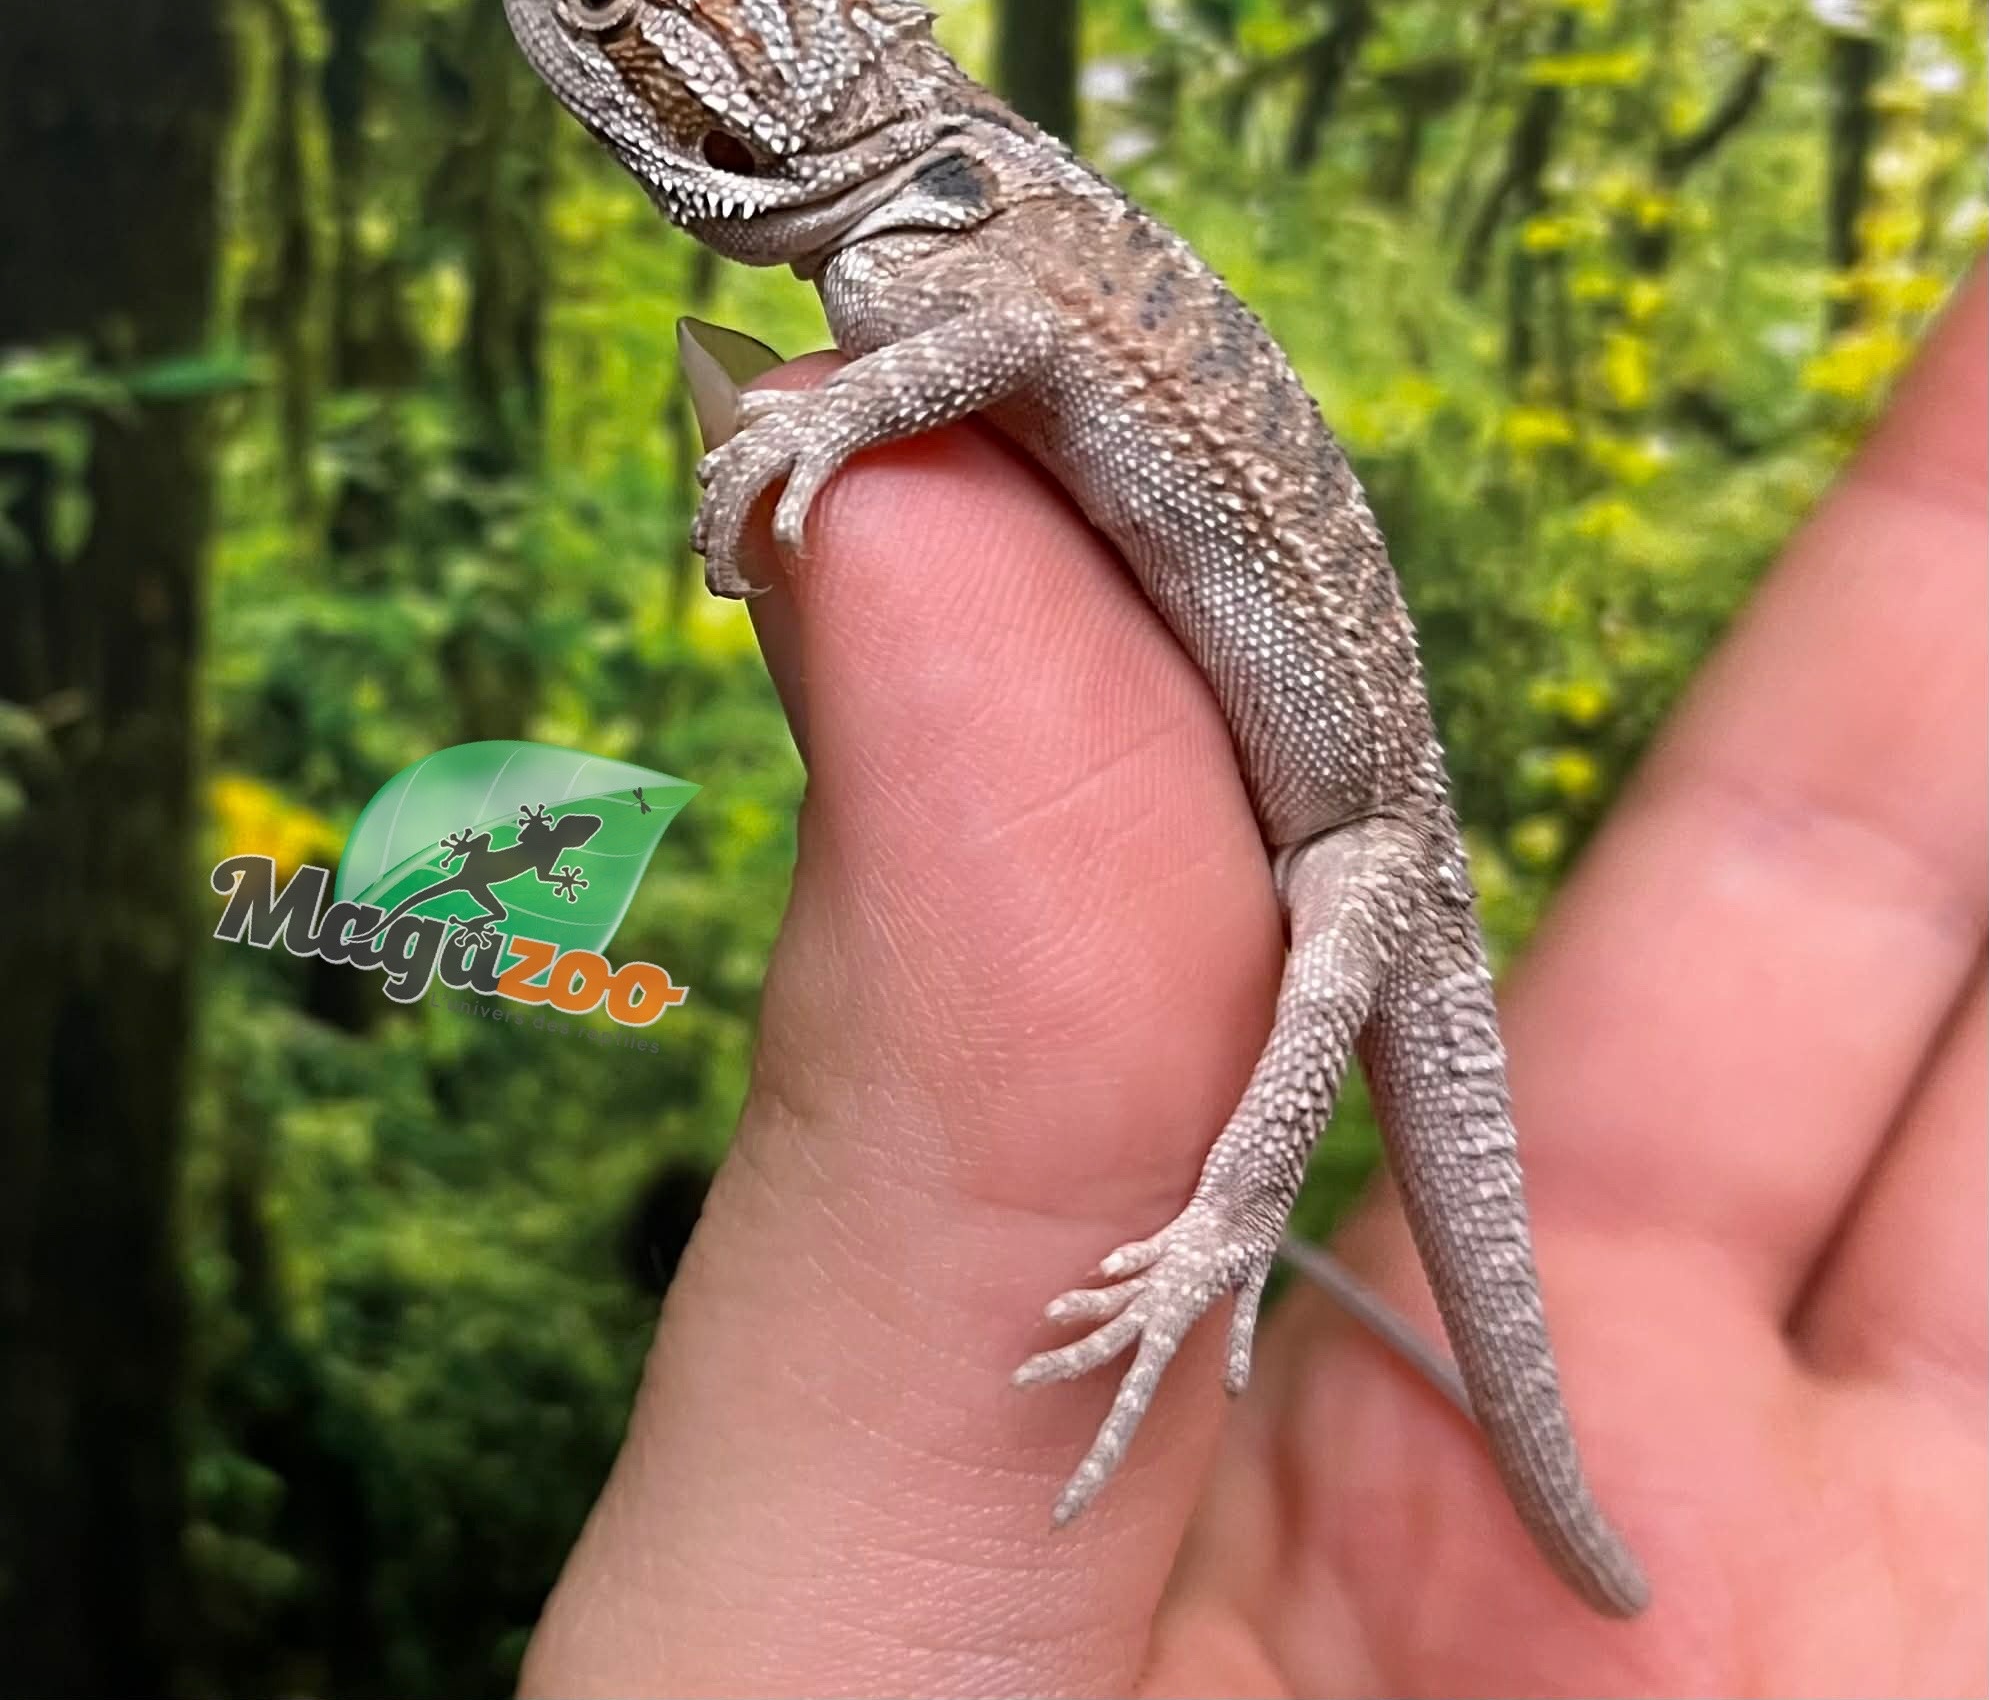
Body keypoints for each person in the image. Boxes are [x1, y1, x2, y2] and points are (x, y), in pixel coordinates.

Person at [521, 267, 1985, 1698]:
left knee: (1323, 989)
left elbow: (1012, 335)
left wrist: (836, 416)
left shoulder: (948, 244)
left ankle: (1233, 1229)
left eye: (616, 9)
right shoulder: (935, 230)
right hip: (1341, 806)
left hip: (1370, 828)